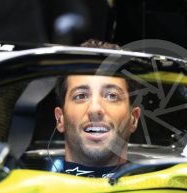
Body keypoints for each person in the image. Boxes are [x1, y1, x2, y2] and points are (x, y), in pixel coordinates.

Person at [54, 39, 141, 177]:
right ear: (60, 119)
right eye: (81, 95)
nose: (95, 109)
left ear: (134, 119)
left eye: (112, 96)